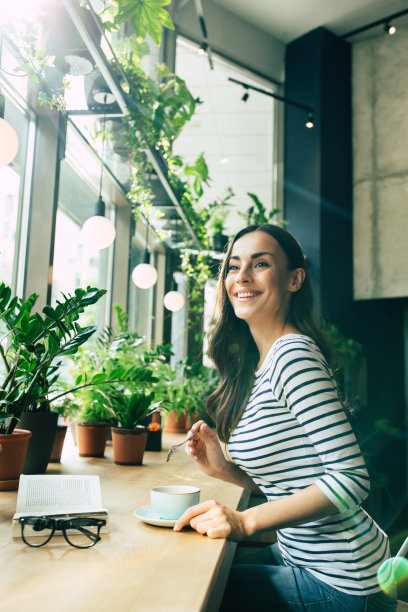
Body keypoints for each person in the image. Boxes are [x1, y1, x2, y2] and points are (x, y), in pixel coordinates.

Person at [173, 224, 397, 611]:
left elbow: (350, 480)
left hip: (344, 580)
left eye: (260, 264)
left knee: (186, 590)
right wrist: (225, 469)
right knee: (196, 568)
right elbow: (295, 483)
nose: (241, 277)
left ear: (294, 279)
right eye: (233, 266)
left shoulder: (293, 355)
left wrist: (245, 522)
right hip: (305, 559)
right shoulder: (265, 362)